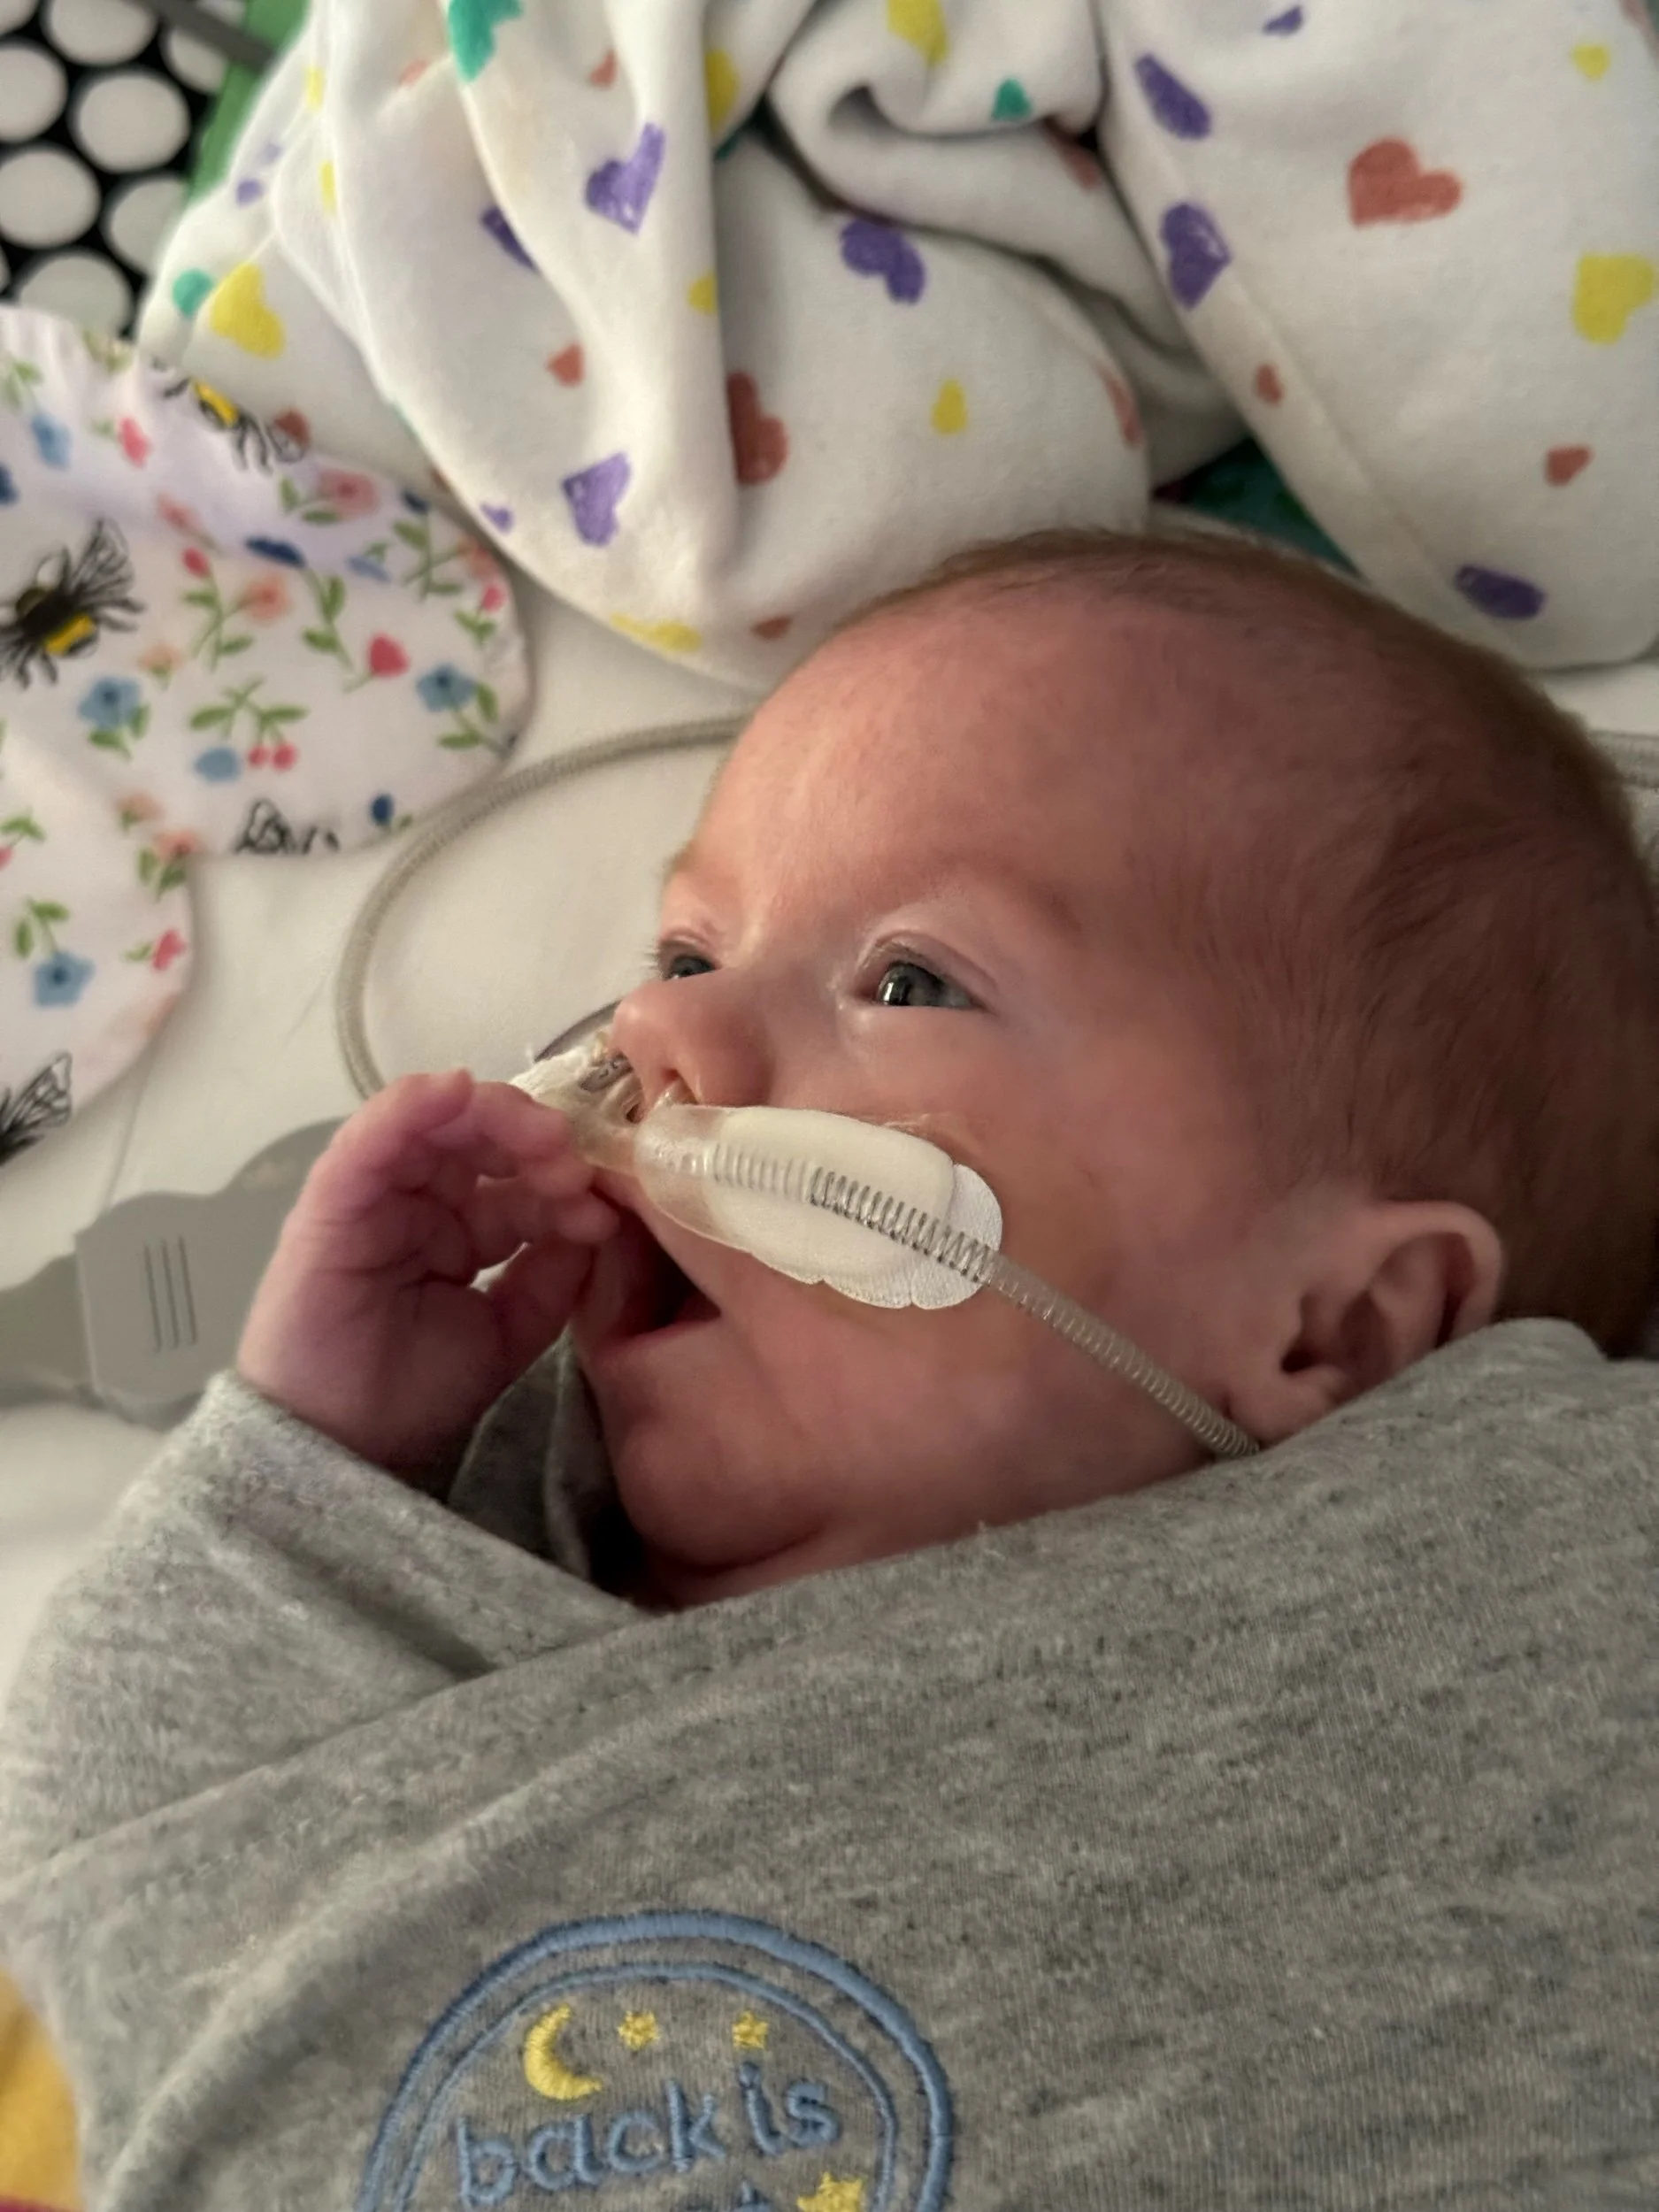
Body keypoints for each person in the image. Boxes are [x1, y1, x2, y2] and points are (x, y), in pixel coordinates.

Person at [3, 528, 1656, 2211]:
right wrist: (306, 1474)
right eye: (683, 957)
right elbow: (118, 1868)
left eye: (909, 979)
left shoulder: (1538, 1541)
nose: (657, 1040)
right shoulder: (462, 1574)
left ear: (1342, 1330)